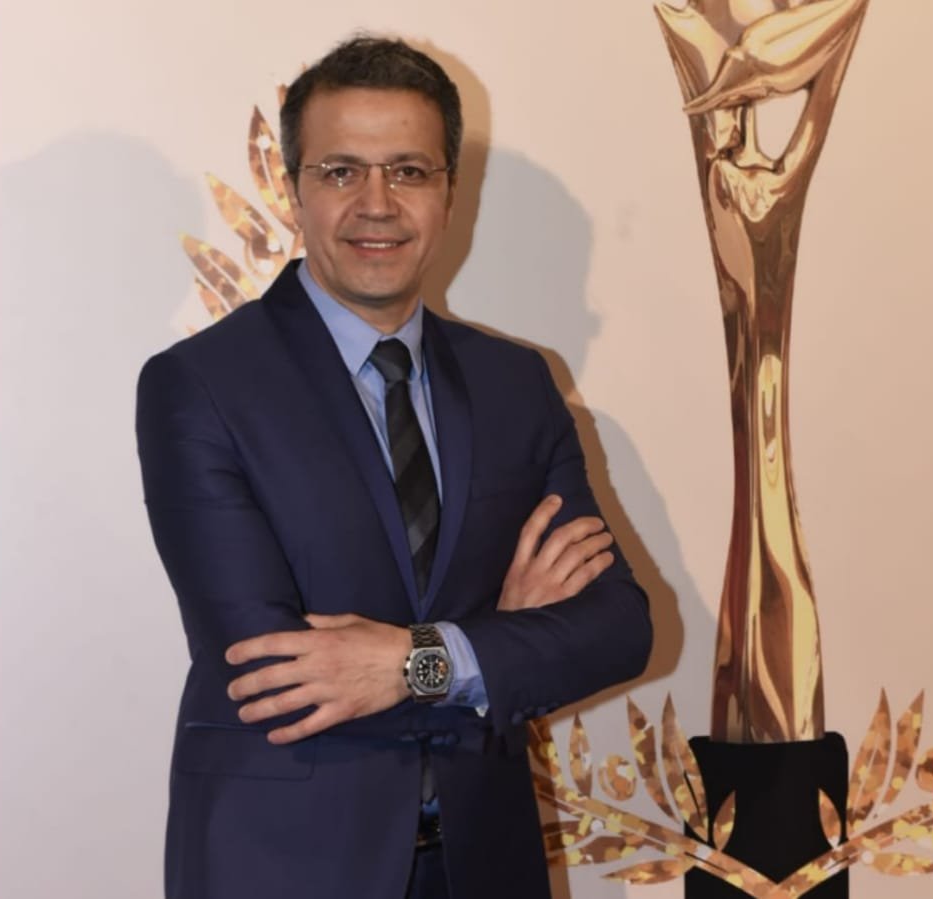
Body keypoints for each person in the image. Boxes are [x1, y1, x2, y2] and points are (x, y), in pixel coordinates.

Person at [134, 35, 652, 899]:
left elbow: (618, 625)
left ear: (450, 193)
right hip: (287, 866)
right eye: (341, 171)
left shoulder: (516, 383)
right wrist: (499, 640)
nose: (376, 204)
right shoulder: (200, 388)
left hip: (485, 863)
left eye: (408, 171)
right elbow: (277, 672)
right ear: (293, 188)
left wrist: (416, 659)